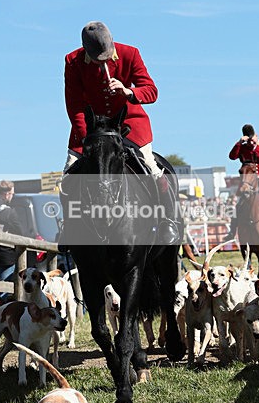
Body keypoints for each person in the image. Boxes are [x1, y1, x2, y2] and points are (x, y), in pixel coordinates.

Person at [61, 20, 179, 245]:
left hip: (129, 124)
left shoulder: (130, 53)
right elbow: (74, 104)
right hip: (91, 129)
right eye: (98, 59)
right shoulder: (72, 61)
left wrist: (129, 91)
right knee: (67, 176)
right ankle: (70, 228)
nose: (104, 62)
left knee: (152, 168)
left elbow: (152, 91)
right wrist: (87, 137)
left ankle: (167, 221)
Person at [0, 180, 38, 279]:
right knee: (5, 288)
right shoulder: (8, 212)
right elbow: (21, 232)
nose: (12, 196)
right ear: (7, 194)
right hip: (5, 255)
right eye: (12, 193)